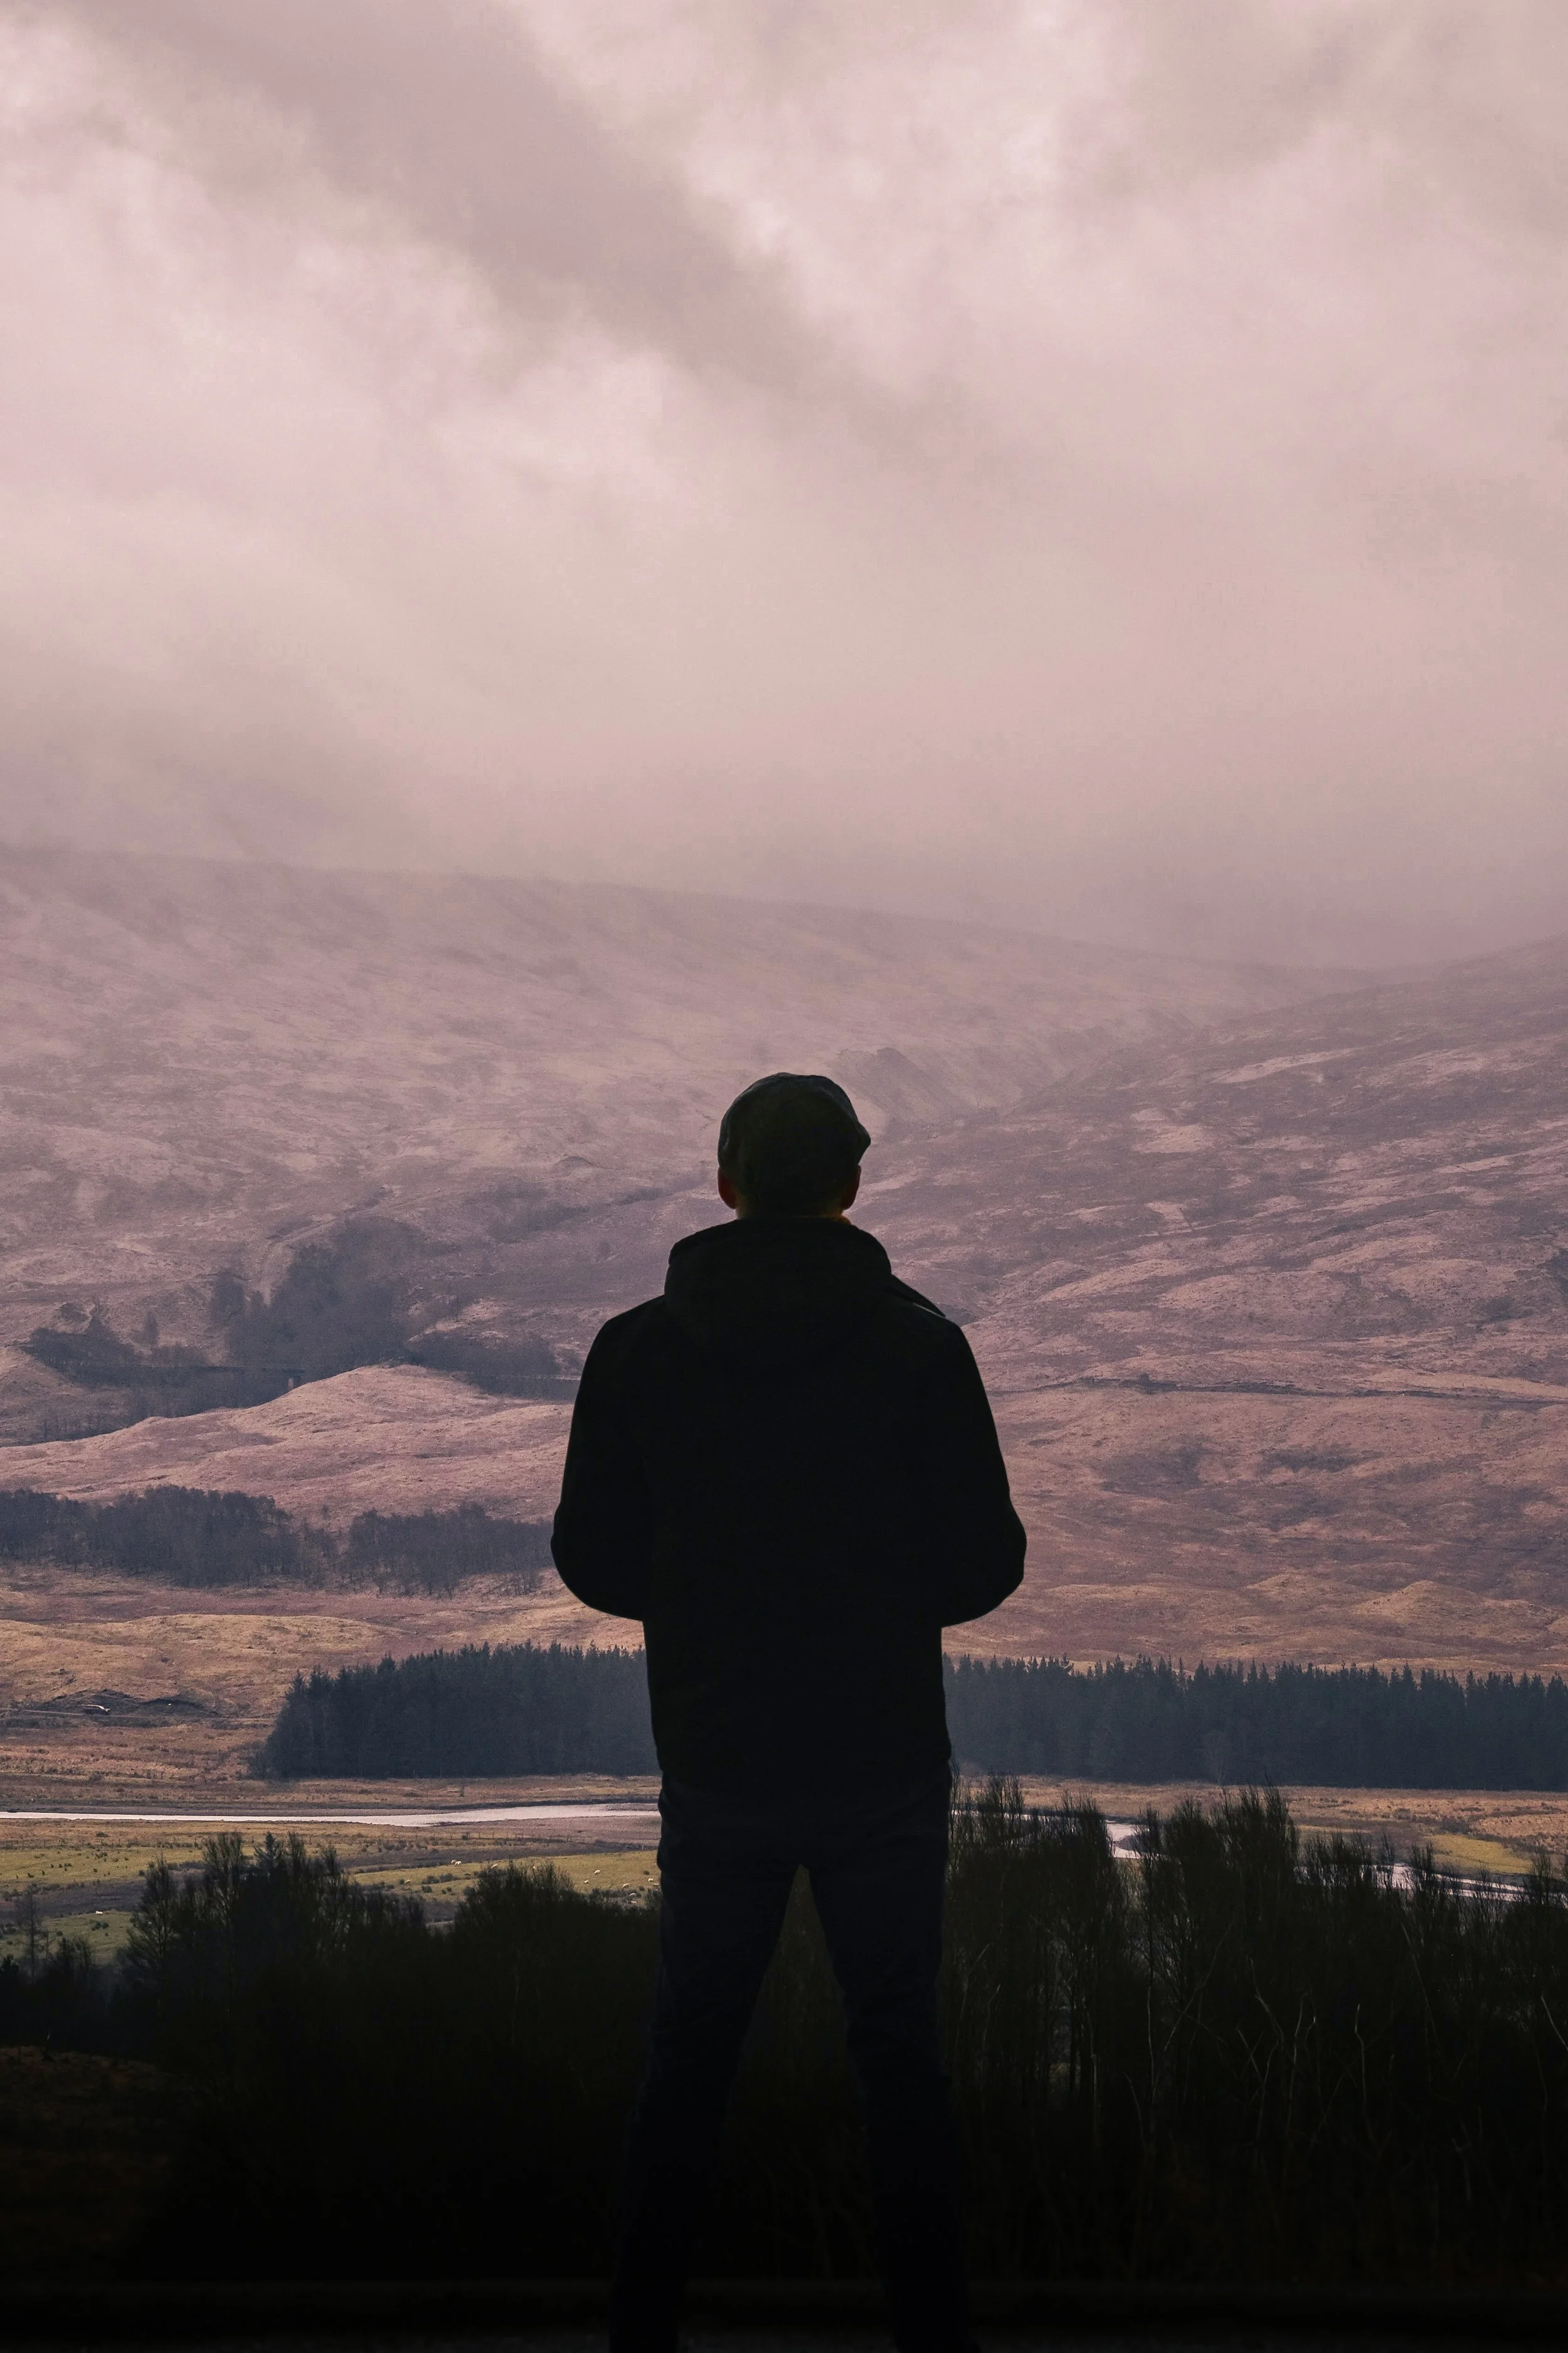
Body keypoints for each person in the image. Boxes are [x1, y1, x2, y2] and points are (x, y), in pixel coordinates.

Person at [552, 1071, 1025, 2353]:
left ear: (725, 1182)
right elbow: (983, 1562)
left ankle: (638, 2328)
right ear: (848, 1185)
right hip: (878, 1753)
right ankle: (932, 2336)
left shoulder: (639, 1348)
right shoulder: (919, 1346)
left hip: (715, 1749)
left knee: (690, 2047)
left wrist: (706, 1603)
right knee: (899, 2054)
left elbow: (591, 1555)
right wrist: (870, 1603)